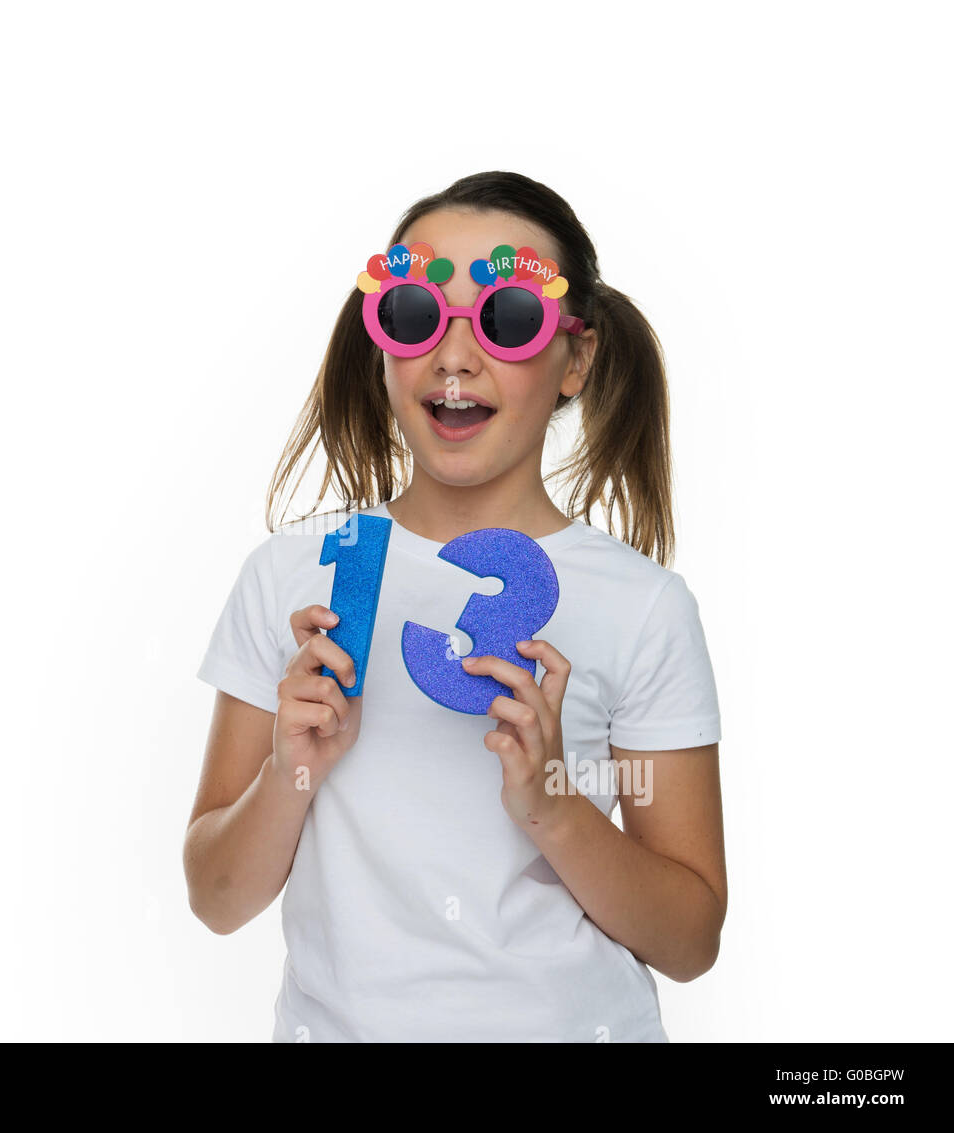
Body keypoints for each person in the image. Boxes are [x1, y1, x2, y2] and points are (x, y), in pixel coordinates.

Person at [184, 170, 726, 1043]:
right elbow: (214, 897)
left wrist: (554, 801)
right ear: (384, 344)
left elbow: (692, 936)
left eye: (509, 320)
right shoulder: (293, 576)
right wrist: (292, 770)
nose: (455, 356)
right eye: (414, 315)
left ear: (575, 359)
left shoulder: (644, 607)